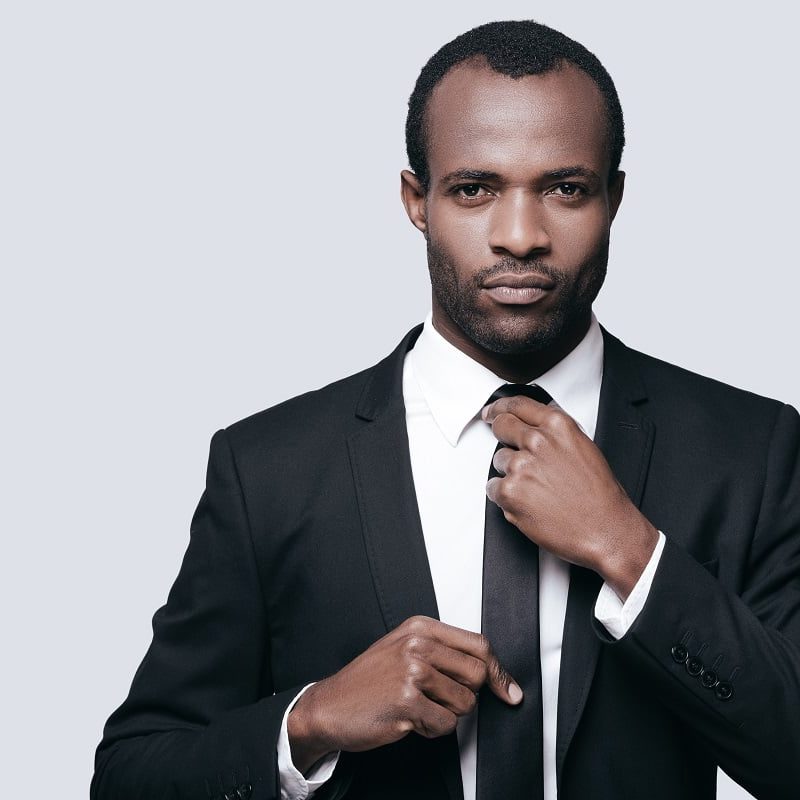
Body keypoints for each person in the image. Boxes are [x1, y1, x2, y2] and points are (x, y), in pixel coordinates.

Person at [91, 20, 800, 800]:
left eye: (565, 189)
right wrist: (313, 720)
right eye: (475, 189)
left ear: (615, 199)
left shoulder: (749, 449)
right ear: (416, 201)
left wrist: (629, 552)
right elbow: (131, 777)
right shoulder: (270, 470)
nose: (521, 237)